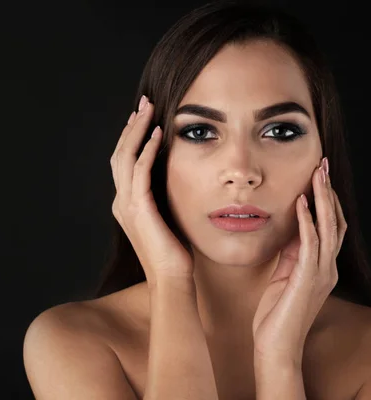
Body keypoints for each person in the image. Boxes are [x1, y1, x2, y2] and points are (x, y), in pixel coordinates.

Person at [23, 1, 371, 399]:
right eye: (200, 132)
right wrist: (169, 281)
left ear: (325, 155)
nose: (241, 171)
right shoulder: (74, 341)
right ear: (147, 155)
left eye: (280, 132)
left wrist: (279, 359)